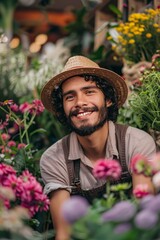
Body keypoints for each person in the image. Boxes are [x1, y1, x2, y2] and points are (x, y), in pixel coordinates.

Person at [40, 55, 156, 240]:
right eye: (70, 97)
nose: (79, 102)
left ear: (108, 99)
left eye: (89, 92)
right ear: (62, 107)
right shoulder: (54, 159)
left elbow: (144, 218)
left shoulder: (136, 143)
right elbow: (64, 234)